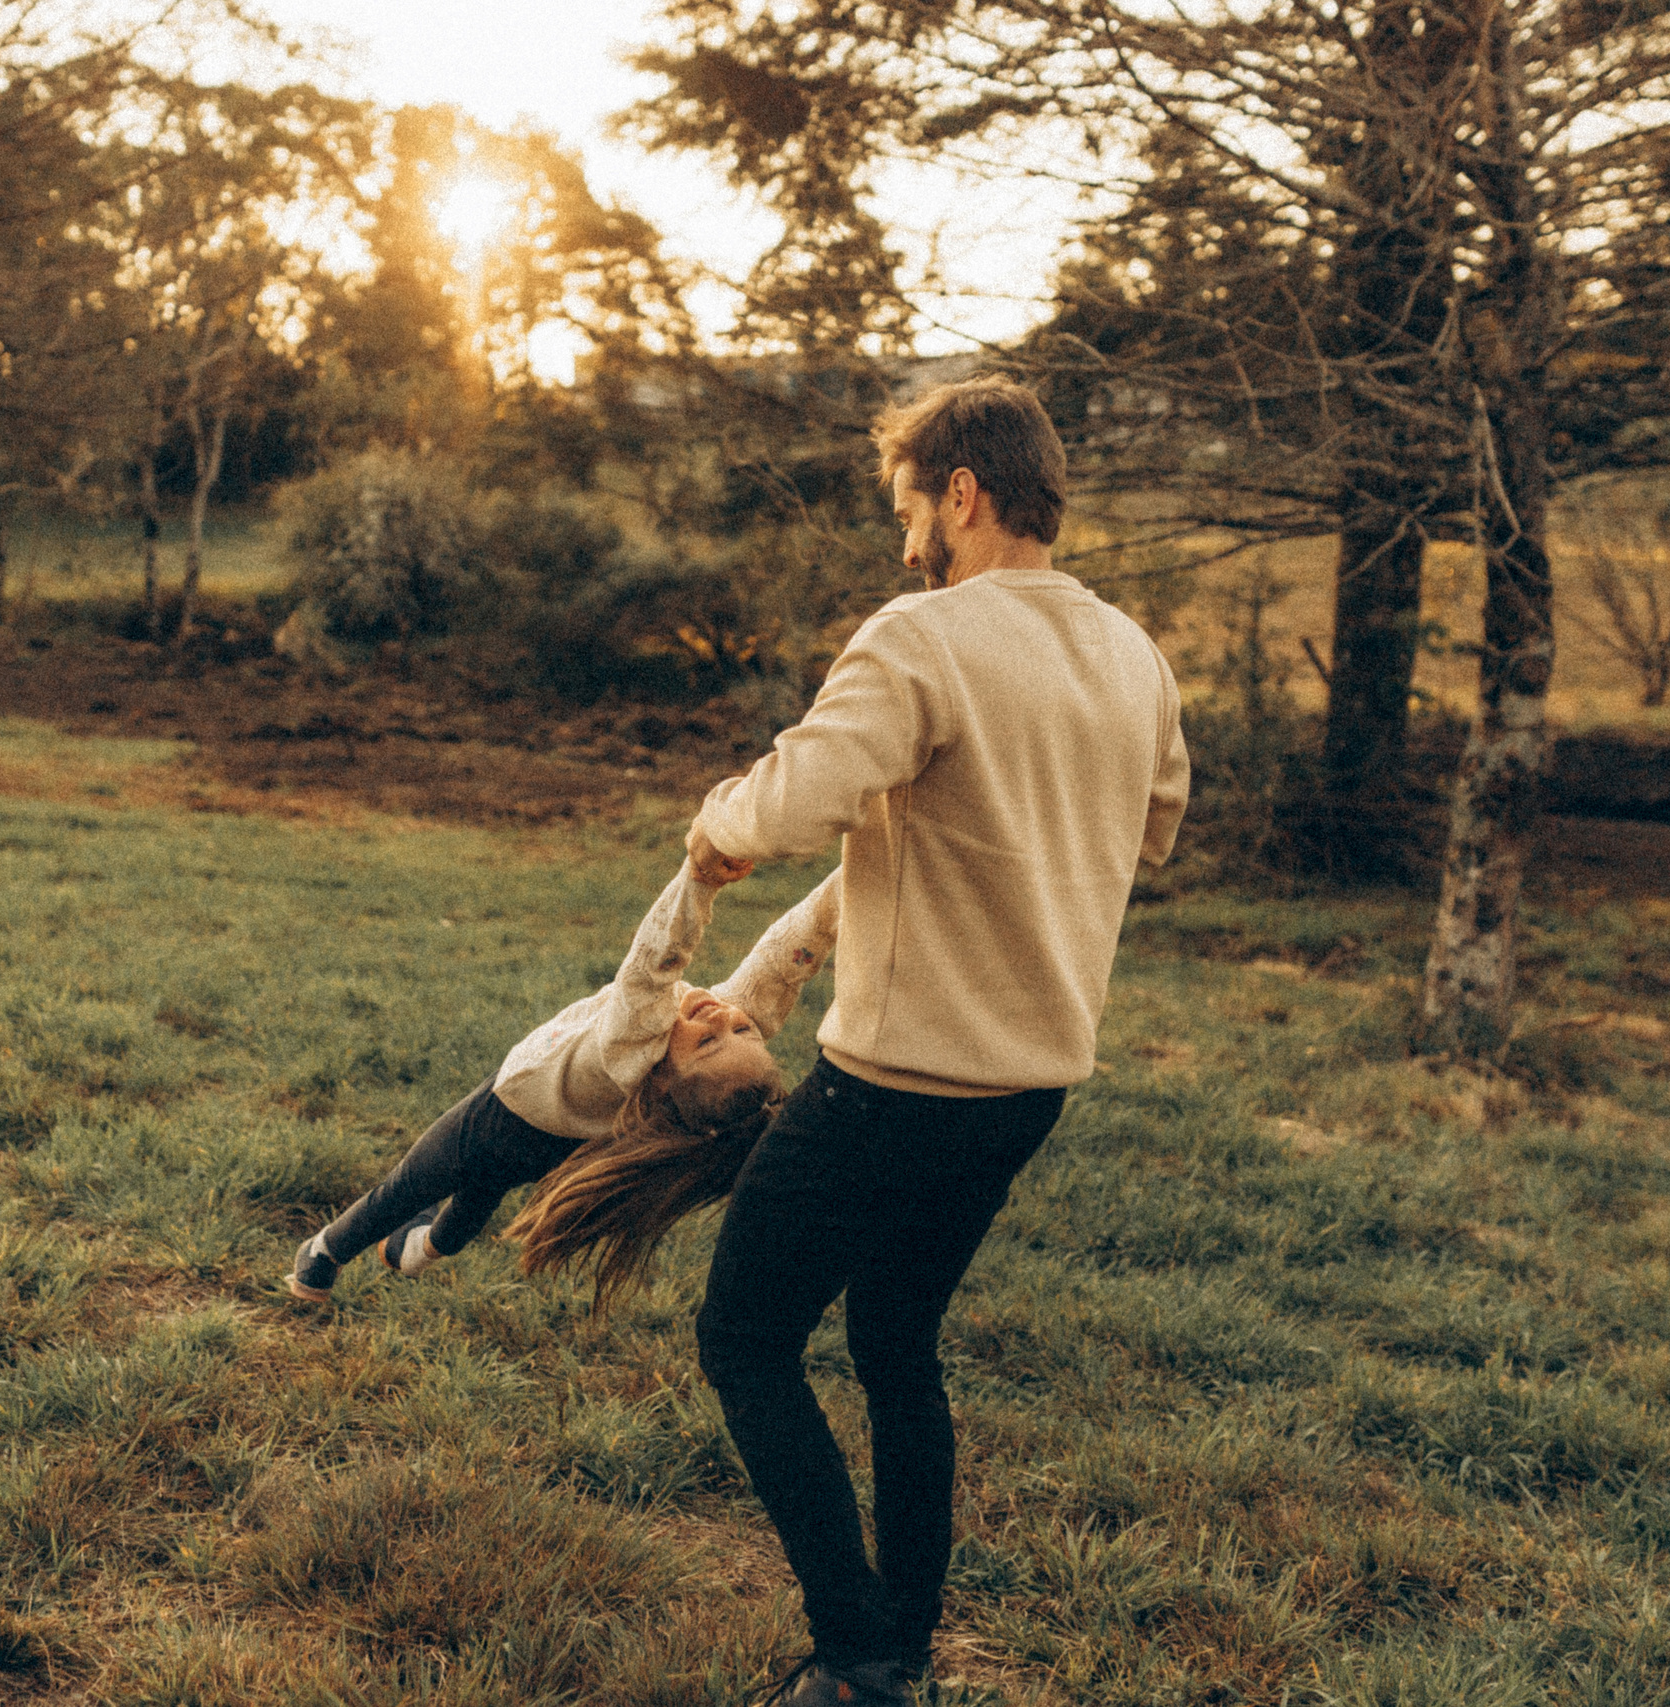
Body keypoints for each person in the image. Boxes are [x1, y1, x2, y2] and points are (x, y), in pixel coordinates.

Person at [683, 379, 1191, 1706]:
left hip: (890, 1088)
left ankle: (856, 1650)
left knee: (743, 1333)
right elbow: (1121, 832)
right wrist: (778, 967)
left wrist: (719, 818)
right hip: (1027, 1088)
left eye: (911, 506)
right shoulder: (1134, 656)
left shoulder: (923, 638)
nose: (906, 537)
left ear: (962, 492)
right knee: (897, 1343)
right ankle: (897, 1648)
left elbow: (794, 804)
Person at [286, 859, 840, 1305]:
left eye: (707, 1039)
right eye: (740, 1026)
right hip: (558, 1142)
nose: (719, 1015)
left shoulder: (636, 1040)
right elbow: (784, 959)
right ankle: (420, 1251)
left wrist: (698, 879)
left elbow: (654, 960)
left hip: (503, 1109)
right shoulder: (697, 1054)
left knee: (410, 1185)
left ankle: (321, 1256)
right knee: (480, 1196)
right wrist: (847, 889)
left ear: (663, 1078)